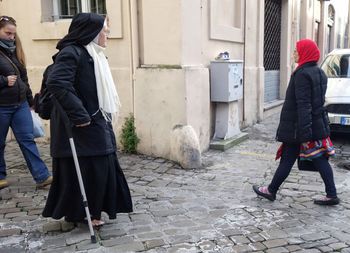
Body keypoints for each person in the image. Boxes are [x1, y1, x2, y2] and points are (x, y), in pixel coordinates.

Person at [42, 13, 133, 227]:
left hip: (96, 122)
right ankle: (82, 213)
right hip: (79, 125)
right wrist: (80, 115)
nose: (107, 34)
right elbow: (57, 83)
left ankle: (93, 211)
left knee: (101, 165)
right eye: (104, 30)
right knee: (85, 168)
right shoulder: (71, 53)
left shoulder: (95, 54)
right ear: (90, 32)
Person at [253, 39, 339, 206]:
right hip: (315, 125)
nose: (293, 53)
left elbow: (304, 105)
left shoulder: (302, 74)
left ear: (305, 53)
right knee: (319, 158)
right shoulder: (319, 72)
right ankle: (331, 194)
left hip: (299, 128)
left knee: (288, 159)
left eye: (296, 50)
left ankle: (271, 190)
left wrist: (304, 133)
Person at [0, 16, 52, 190]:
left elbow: (24, 78)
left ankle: (42, 176)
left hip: (20, 104)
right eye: (8, 33)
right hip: (1, 106)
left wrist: (30, 101)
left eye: (13, 34)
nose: (11, 38)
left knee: (27, 140)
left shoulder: (15, 50)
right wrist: (3, 81)